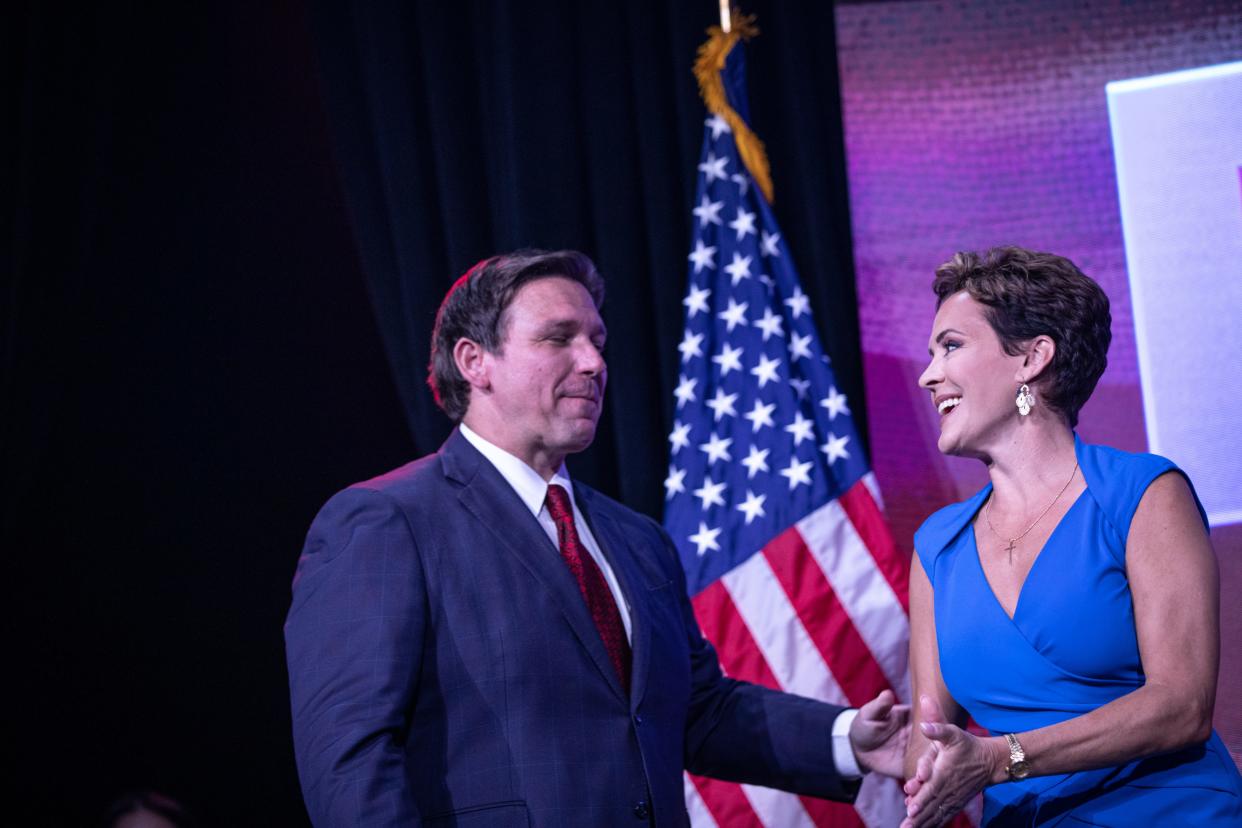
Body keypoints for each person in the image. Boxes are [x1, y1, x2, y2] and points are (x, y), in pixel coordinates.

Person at [284, 249, 910, 827]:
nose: (592, 361)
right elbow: (350, 759)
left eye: (597, 341)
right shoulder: (386, 522)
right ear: (474, 362)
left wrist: (849, 738)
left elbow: (697, 710)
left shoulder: (636, 540)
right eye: (559, 338)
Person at [899, 246, 1242, 827]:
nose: (929, 373)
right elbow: (931, 742)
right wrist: (922, 765)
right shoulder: (937, 546)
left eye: (951, 346)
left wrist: (997, 760)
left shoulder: (1142, 493)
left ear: (1032, 358)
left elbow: (1182, 706)